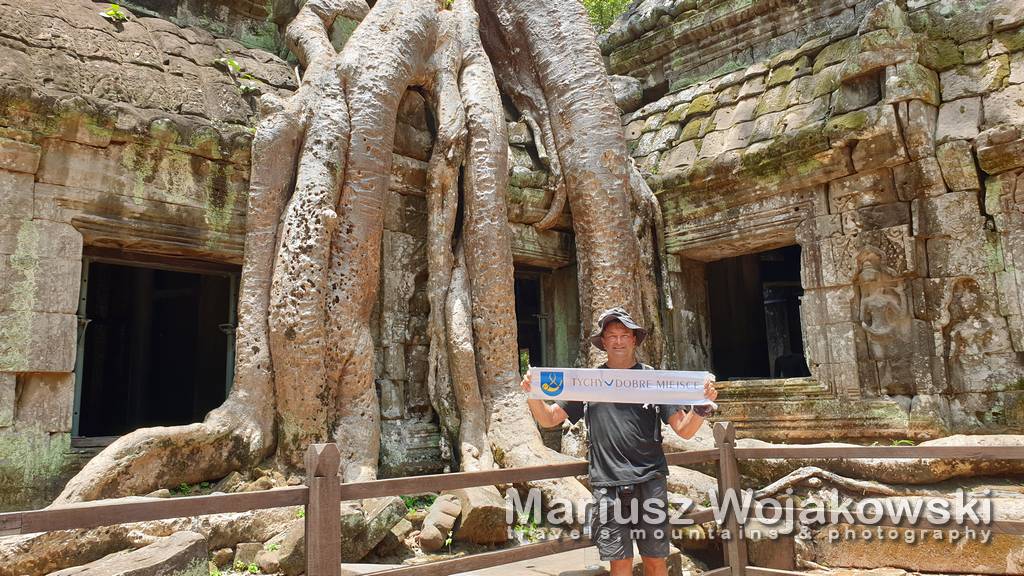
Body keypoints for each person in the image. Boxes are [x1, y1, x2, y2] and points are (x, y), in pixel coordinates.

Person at [520, 307, 717, 576]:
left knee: (655, 560)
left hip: (650, 480)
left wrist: (702, 407)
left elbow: (684, 430)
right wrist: (533, 392)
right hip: (608, 483)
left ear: (635, 339)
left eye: (624, 334)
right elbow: (549, 418)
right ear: (603, 343)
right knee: (620, 563)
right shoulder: (587, 382)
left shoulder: (654, 381)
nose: (618, 341)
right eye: (611, 335)